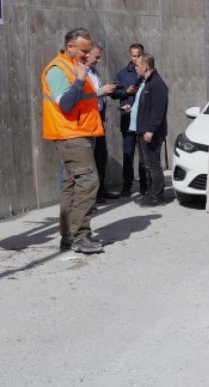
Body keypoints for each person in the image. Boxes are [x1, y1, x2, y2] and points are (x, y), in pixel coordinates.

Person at [42, 28, 109, 254]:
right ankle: (81, 236)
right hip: (71, 136)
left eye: (89, 50)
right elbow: (66, 104)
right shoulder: (58, 70)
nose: (88, 54)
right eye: (84, 50)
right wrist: (80, 80)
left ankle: (69, 238)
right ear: (70, 47)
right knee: (88, 182)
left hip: (79, 133)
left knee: (71, 186)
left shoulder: (74, 66)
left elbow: (84, 100)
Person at [131, 53, 169, 207]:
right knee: (146, 165)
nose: (135, 68)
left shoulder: (157, 85)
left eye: (137, 65)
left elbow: (158, 111)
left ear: (145, 67)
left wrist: (151, 130)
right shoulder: (146, 83)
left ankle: (157, 196)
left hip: (151, 133)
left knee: (153, 165)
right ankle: (150, 193)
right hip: (142, 131)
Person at [84, 43, 119, 202]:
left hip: (98, 118)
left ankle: (100, 189)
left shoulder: (94, 71)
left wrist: (106, 91)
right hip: (87, 120)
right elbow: (82, 95)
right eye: (96, 57)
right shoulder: (80, 72)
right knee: (89, 158)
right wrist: (101, 91)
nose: (98, 60)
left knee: (101, 155)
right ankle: (90, 196)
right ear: (87, 54)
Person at [112, 43, 144, 195]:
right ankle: (127, 185)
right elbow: (113, 93)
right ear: (130, 55)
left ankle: (144, 185)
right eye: (133, 56)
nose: (136, 59)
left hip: (142, 120)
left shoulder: (146, 72)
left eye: (138, 55)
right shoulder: (122, 73)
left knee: (144, 155)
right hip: (127, 119)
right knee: (128, 154)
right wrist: (126, 92)